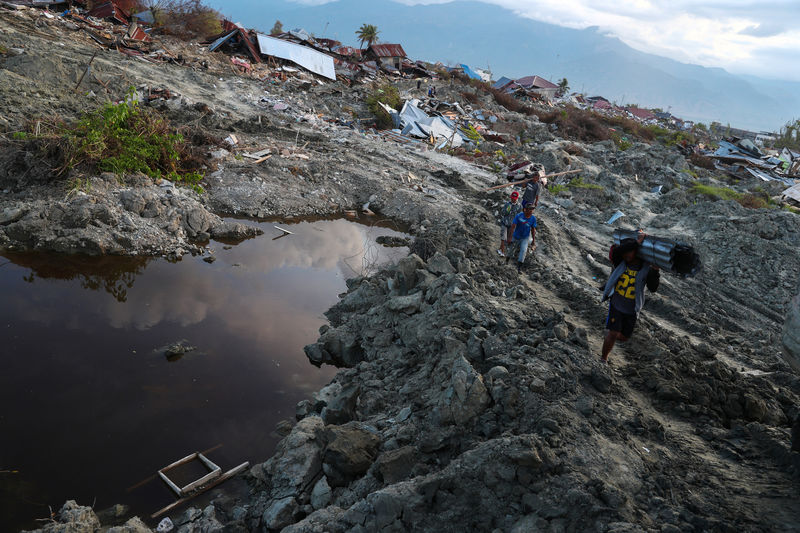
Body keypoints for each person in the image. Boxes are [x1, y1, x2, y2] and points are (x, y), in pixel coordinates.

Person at [600, 231, 660, 363]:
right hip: (616, 303)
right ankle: (603, 359)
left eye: (630, 252)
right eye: (625, 252)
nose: (626, 255)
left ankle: (609, 333)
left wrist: (655, 271)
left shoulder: (645, 268)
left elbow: (653, 288)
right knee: (614, 333)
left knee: (624, 337)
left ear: (637, 252)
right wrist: (637, 242)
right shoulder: (620, 261)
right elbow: (618, 251)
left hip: (632, 309)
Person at [507, 204, 537, 272]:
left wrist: (533, 241)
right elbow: (513, 227)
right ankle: (507, 261)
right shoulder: (519, 216)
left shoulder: (533, 219)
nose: (531, 211)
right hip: (516, 236)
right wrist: (509, 237)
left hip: (525, 238)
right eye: (530, 209)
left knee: (523, 251)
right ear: (525, 209)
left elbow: (533, 230)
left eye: (532, 209)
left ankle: (519, 268)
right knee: (511, 250)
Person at [498, 190, 522, 257]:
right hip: (504, 223)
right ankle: (502, 252)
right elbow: (502, 213)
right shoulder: (507, 204)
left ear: (517, 198)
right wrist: (507, 210)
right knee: (503, 238)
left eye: (514, 199)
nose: (513, 200)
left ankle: (500, 249)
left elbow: (519, 216)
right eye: (512, 198)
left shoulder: (519, 206)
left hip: (512, 226)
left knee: (508, 239)